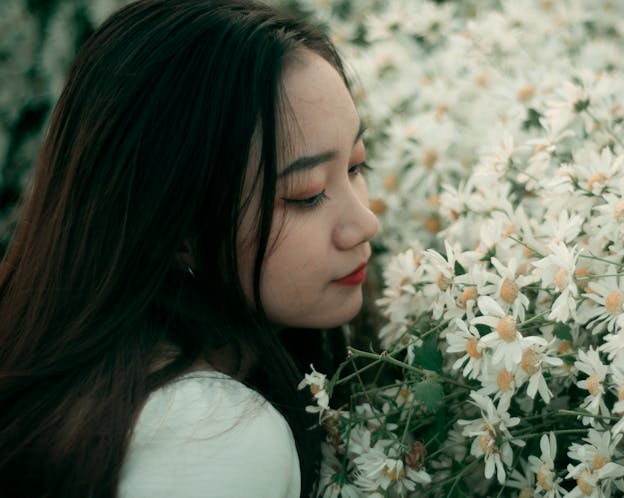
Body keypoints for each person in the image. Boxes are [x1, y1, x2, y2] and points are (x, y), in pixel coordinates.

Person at [0, 0, 379, 496]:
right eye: (306, 195)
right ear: (173, 231)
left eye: (356, 165)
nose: (364, 223)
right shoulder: (218, 439)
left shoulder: (101, 390)